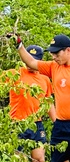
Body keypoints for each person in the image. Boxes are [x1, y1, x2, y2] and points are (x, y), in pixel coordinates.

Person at [0, 45, 56, 162]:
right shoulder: (15, 74)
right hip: (17, 124)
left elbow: (48, 103)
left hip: (37, 125)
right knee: (19, 158)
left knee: (39, 158)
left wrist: (57, 123)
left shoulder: (45, 79)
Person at [7, 33, 70, 162]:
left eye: (57, 54)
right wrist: (19, 44)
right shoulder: (54, 66)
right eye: (52, 54)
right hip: (61, 125)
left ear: (68, 50)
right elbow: (30, 61)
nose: (54, 57)